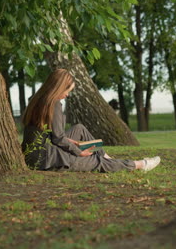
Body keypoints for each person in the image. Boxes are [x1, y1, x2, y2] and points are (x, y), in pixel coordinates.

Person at [21, 69, 161, 172]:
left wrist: (75, 142)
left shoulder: (38, 99)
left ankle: (107, 157)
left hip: (35, 152)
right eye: (67, 90)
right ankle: (139, 165)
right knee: (96, 162)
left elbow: (54, 135)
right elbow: (57, 139)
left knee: (79, 129)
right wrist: (78, 151)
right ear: (59, 87)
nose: (67, 94)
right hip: (43, 158)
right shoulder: (54, 104)